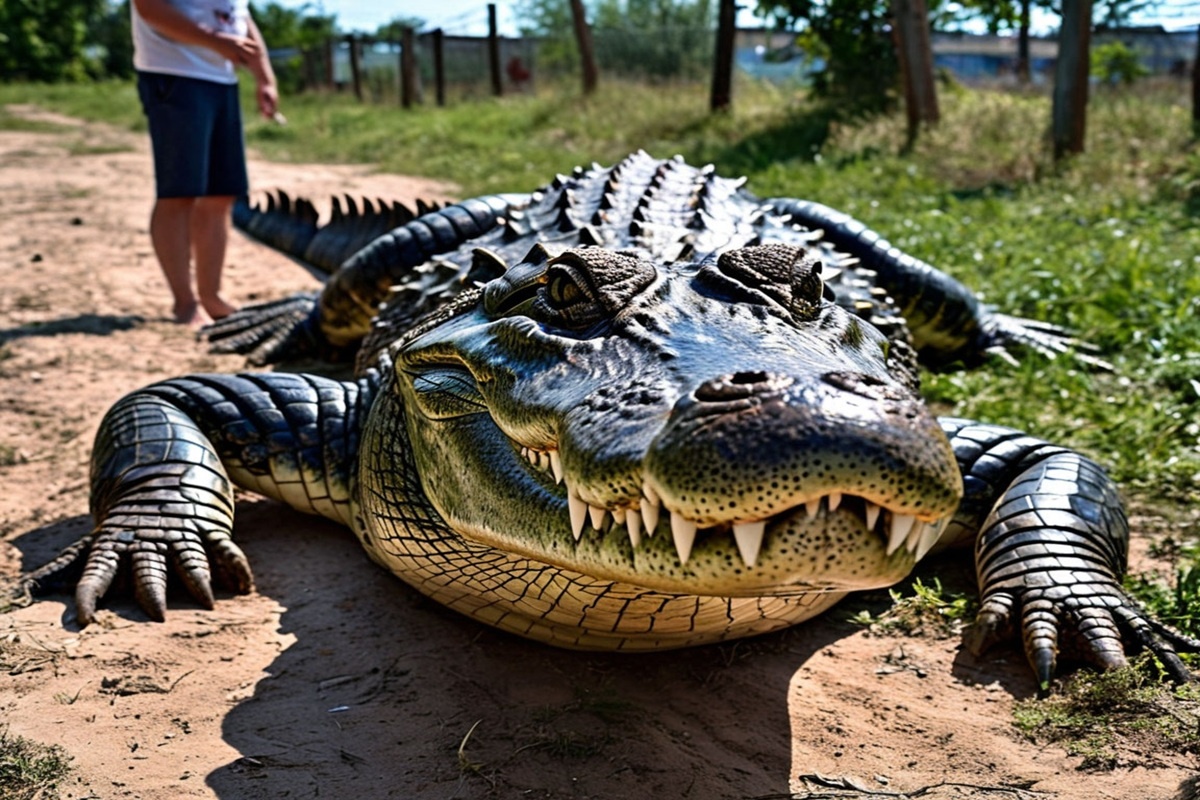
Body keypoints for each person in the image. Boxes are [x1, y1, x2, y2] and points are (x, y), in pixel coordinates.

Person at [131, 0, 279, 325]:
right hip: (173, 74)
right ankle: (185, 303)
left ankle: (211, 296)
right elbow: (149, 7)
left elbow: (242, 16)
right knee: (179, 193)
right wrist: (219, 41)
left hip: (222, 80)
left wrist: (264, 76)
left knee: (220, 194)